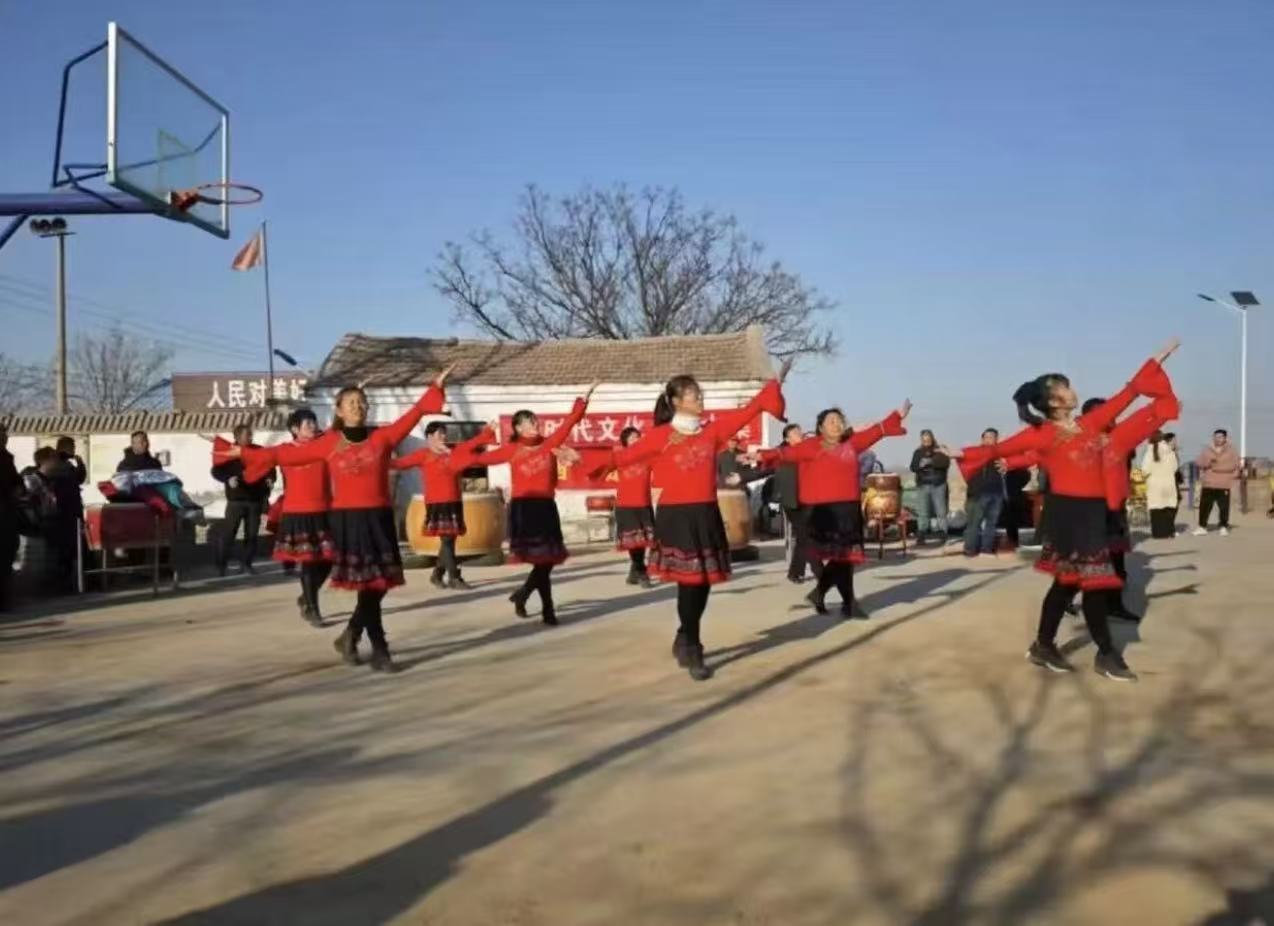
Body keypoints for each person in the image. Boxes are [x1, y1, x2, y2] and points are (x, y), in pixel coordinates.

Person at [956, 341, 1179, 683]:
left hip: (1092, 513)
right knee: (1094, 584)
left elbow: (1127, 395)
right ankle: (1106, 653)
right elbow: (999, 449)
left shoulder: (1090, 423)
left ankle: (1043, 645)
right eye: (1065, 387)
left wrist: (1153, 363)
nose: (1072, 390)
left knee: (1067, 584)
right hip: (1069, 516)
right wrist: (960, 453)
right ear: (1054, 401)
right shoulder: (1043, 434)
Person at [223, 366, 452, 672]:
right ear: (340, 411)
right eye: (351, 402)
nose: (358, 406)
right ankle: (380, 650)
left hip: (379, 520)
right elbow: (281, 455)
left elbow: (415, 412)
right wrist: (242, 452)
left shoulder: (383, 437)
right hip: (348, 521)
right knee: (367, 584)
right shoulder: (329, 442)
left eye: (362, 401)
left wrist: (434, 387)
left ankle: (350, 635)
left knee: (379, 584)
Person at [589, 373, 787, 680]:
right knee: (689, 582)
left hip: (705, 514)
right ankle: (693, 645)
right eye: (694, 395)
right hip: (676, 516)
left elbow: (747, 412)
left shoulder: (712, 431)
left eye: (700, 394)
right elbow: (624, 457)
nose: (700, 399)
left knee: (703, 582)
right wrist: (582, 461)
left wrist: (770, 391)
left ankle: (684, 634)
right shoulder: (660, 436)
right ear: (676, 401)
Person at [467, 385, 599, 626]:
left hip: (545, 507)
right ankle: (547, 609)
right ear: (518, 428)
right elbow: (477, 458)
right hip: (524, 510)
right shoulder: (512, 450)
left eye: (535, 420)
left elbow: (569, 422)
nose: (535, 424)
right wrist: (481, 438)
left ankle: (524, 594)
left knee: (546, 561)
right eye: (529, 422)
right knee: (542, 562)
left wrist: (583, 400)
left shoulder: (549, 444)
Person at [389, 421, 496, 590]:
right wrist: (378, 459)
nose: (443, 437)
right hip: (437, 503)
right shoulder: (423, 455)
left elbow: (472, 444)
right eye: (440, 434)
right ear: (429, 437)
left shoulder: (453, 452)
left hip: (454, 501)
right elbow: (400, 463)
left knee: (449, 540)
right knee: (446, 540)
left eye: (444, 433)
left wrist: (488, 431)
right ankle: (454, 577)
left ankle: (437, 574)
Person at [271, 409, 334, 626]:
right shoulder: (285, 451)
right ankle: (312, 608)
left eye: (314, 422)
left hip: (323, 511)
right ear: (294, 429)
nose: (313, 426)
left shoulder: (324, 446)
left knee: (329, 559)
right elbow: (259, 457)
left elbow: (339, 432)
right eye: (308, 423)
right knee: (309, 561)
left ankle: (306, 596)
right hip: (297, 513)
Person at [211, 424, 276, 576]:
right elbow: (216, 470)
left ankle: (247, 564)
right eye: (247, 435)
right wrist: (227, 478)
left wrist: (270, 478)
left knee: (252, 535)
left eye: (251, 435)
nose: (250, 438)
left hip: (255, 500)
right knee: (229, 534)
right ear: (237, 437)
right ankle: (222, 565)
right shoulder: (229, 452)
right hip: (236, 501)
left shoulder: (258, 451)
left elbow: (270, 467)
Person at [775, 423, 818, 584]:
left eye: (799, 431)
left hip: (807, 499)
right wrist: (742, 477)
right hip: (791, 502)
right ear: (787, 438)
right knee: (806, 536)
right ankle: (819, 571)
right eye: (795, 432)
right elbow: (763, 469)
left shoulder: (807, 450)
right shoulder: (782, 453)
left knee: (804, 536)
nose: (800, 434)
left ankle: (795, 572)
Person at [962, 429, 1006, 556]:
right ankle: (970, 549)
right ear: (982, 439)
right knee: (974, 523)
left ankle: (986, 549)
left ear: (996, 439)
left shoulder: (1000, 454)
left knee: (991, 523)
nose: (988, 440)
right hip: (979, 493)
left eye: (992, 437)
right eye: (986, 437)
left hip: (996, 493)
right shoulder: (975, 453)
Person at [1194, 429, 1240, 536]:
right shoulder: (1207, 449)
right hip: (1208, 482)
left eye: (1220, 437)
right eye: (1216, 437)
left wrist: (1215, 467)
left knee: (1224, 507)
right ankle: (1202, 526)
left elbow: (1233, 465)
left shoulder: (1231, 450)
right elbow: (1199, 462)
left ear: (1225, 438)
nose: (1218, 439)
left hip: (1223, 483)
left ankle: (1223, 526)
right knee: (1205, 506)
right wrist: (1208, 461)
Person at [910, 430, 950, 545]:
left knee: (941, 511)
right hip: (923, 485)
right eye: (924, 439)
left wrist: (931, 462)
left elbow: (945, 463)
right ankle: (921, 534)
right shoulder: (918, 452)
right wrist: (920, 465)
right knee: (923, 512)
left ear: (932, 438)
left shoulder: (940, 450)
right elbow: (913, 467)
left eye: (928, 439)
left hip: (938, 484)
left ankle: (943, 533)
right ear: (921, 440)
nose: (926, 441)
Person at [1141, 431, 1181, 539]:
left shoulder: (1150, 451)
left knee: (1156, 509)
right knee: (1168, 507)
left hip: (1154, 485)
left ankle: (1158, 533)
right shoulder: (1170, 450)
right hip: (1169, 483)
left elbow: (1145, 470)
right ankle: (1169, 531)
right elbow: (1175, 468)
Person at [0, 424, 20, 610]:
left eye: (5, 434)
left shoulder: (6, 458)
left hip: (7, 513)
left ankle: (5, 598)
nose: (4, 437)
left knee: (7, 553)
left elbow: (16, 483)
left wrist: (18, 490)